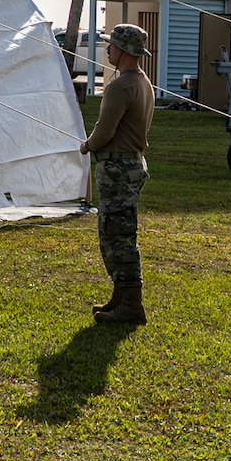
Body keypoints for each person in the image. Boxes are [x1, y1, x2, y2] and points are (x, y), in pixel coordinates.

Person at [81, 23, 154, 325]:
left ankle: (131, 305)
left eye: (111, 45)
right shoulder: (142, 82)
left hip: (118, 170)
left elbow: (104, 130)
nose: (107, 49)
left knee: (118, 236)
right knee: (117, 233)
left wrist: (87, 145)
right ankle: (121, 296)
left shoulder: (121, 86)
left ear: (123, 50)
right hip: (131, 166)